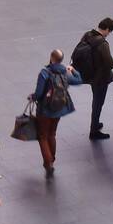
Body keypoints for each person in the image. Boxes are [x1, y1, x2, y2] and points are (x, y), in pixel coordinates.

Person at [29, 49, 83, 177]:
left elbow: (39, 93)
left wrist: (32, 97)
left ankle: (48, 164)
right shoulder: (65, 72)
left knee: (42, 136)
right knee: (52, 134)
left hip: (45, 110)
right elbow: (79, 80)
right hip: (59, 109)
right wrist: (73, 70)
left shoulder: (45, 73)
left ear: (51, 58)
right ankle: (52, 159)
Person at [75, 18, 113, 141]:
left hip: (90, 75)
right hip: (101, 78)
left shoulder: (87, 35)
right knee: (98, 103)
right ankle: (94, 131)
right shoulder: (102, 43)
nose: (109, 34)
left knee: (96, 100)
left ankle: (96, 123)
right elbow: (110, 63)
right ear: (107, 29)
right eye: (110, 31)